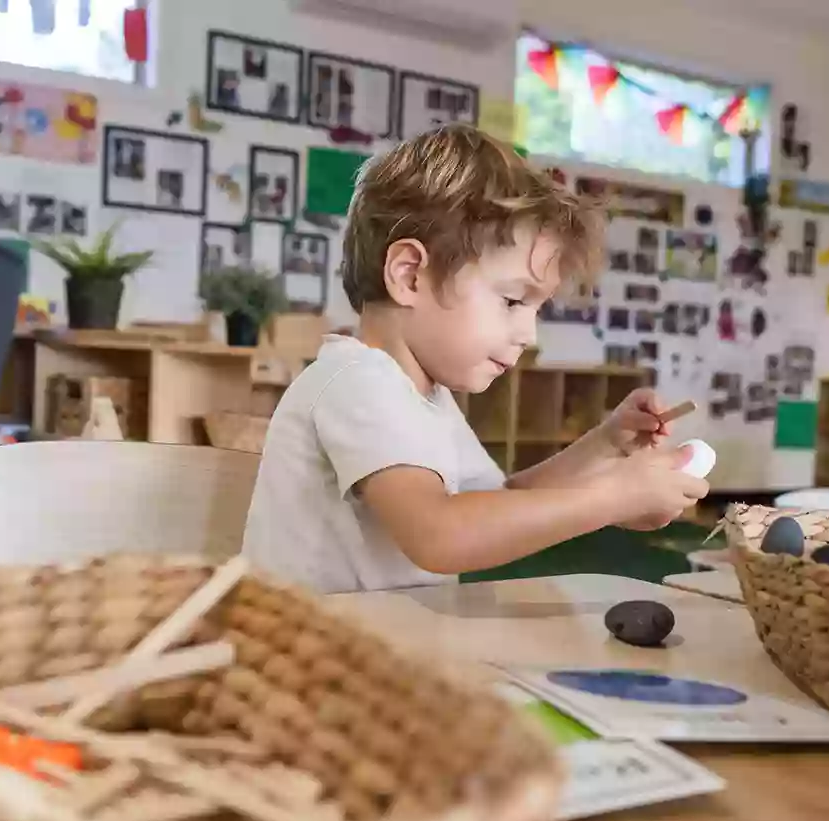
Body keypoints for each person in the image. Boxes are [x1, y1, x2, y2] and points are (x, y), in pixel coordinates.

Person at [244, 124, 709, 593]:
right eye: (512, 301)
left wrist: (605, 446)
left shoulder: (423, 395)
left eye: (536, 308)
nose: (528, 334)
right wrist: (615, 495)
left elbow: (499, 502)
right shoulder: (357, 381)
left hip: (375, 643)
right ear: (409, 276)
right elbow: (440, 535)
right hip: (305, 654)